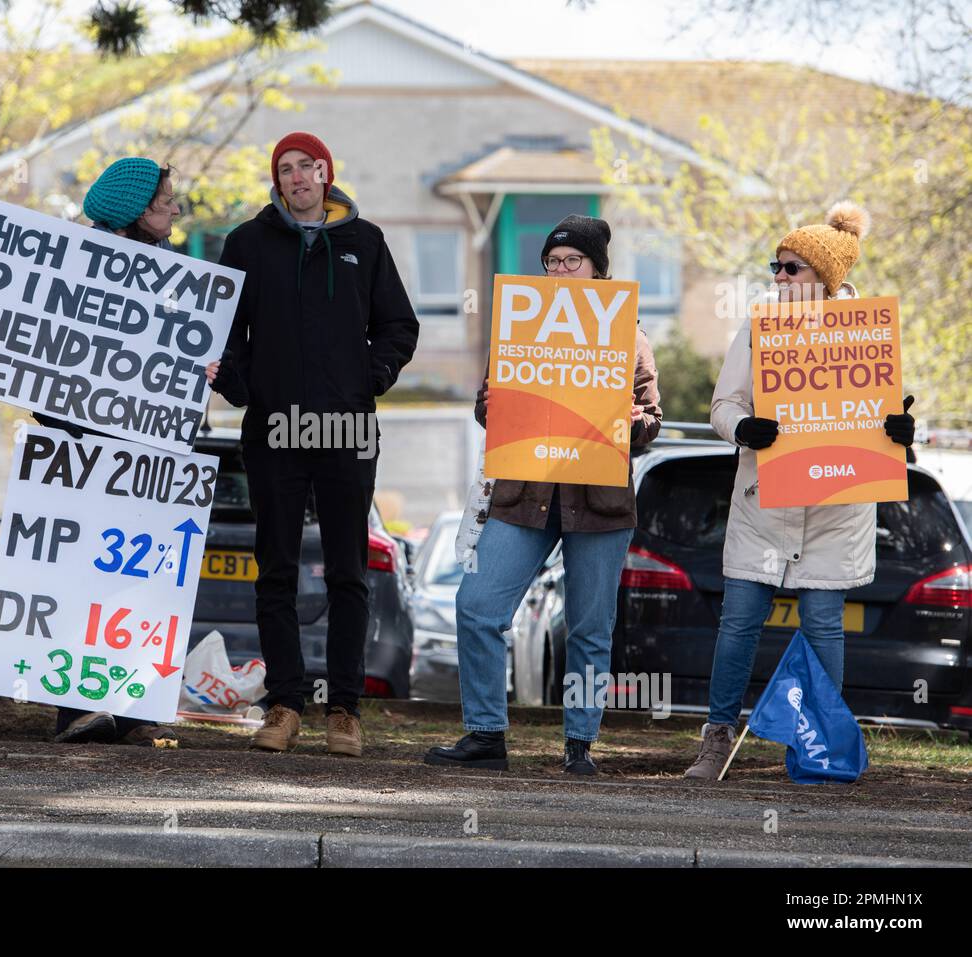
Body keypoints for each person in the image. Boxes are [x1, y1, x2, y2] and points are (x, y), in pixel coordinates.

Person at [684, 202, 916, 780]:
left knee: (823, 626)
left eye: (793, 269)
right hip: (766, 501)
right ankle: (716, 739)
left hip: (837, 509)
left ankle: (818, 746)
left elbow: (895, 412)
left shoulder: (866, 330)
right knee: (738, 622)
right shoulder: (759, 323)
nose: (779, 278)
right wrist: (743, 428)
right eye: (777, 266)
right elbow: (724, 405)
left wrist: (904, 431)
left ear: (825, 279)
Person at [424, 215, 662, 774]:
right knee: (476, 607)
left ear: (598, 270)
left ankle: (579, 744)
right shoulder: (521, 326)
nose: (558, 270)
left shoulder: (629, 334)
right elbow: (487, 410)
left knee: (589, 626)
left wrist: (632, 421)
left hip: (600, 500)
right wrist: (496, 403)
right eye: (551, 262)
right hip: (524, 492)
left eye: (570, 261)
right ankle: (485, 736)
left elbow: (653, 420)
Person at [208, 131, 419, 757]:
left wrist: (369, 380)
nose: (297, 177)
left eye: (308, 166)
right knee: (275, 569)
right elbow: (221, 330)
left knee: (348, 570)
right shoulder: (247, 243)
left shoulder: (365, 241)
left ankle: (345, 710)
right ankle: (285, 703)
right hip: (274, 429)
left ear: (327, 174)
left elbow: (399, 326)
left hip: (346, 430)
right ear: (276, 181)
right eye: (286, 169)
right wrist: (244, 389)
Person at [42, 157, 185, 747]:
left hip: (148, 450)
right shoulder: (74, 269)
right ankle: (75, 709)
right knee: (84, 574)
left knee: (142, 576)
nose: (176, 209)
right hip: (84, 447)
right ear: (131, 216)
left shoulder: (181, 276)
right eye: (164, 202)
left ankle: (132, 707)